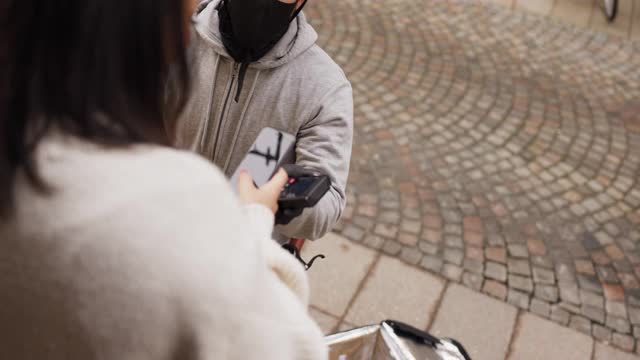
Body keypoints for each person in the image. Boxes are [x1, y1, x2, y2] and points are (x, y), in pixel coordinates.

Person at [0, 1, 327, 359]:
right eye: (187, 19)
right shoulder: (170, 199)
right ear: (140, 29)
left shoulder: (324, 86)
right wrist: (254, 224)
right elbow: (294, 349)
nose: (191, 35)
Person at [169, 0, 354, 242]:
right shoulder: (174, 37)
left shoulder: (325, 87)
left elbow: (328, 204)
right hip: (162, 239)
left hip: (246, 263)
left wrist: (274, 204)